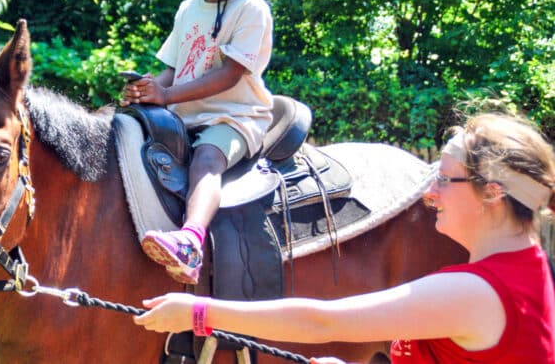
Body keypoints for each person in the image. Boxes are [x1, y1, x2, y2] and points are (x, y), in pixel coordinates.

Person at [134, 112, 555, 363]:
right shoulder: (529, 267)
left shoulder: (472, 292)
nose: (430, 193)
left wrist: (198, 312)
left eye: (445, 180)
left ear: (493, 193)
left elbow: (324, 321)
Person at [121, 0, 274, 285]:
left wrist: (167, 97)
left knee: (207, 159)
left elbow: (230, 75)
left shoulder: (252, 9)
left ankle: (191, 240)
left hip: (234, 118)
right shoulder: (189, 9)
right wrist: (149, 89)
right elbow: (174, 68)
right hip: (184, 116)